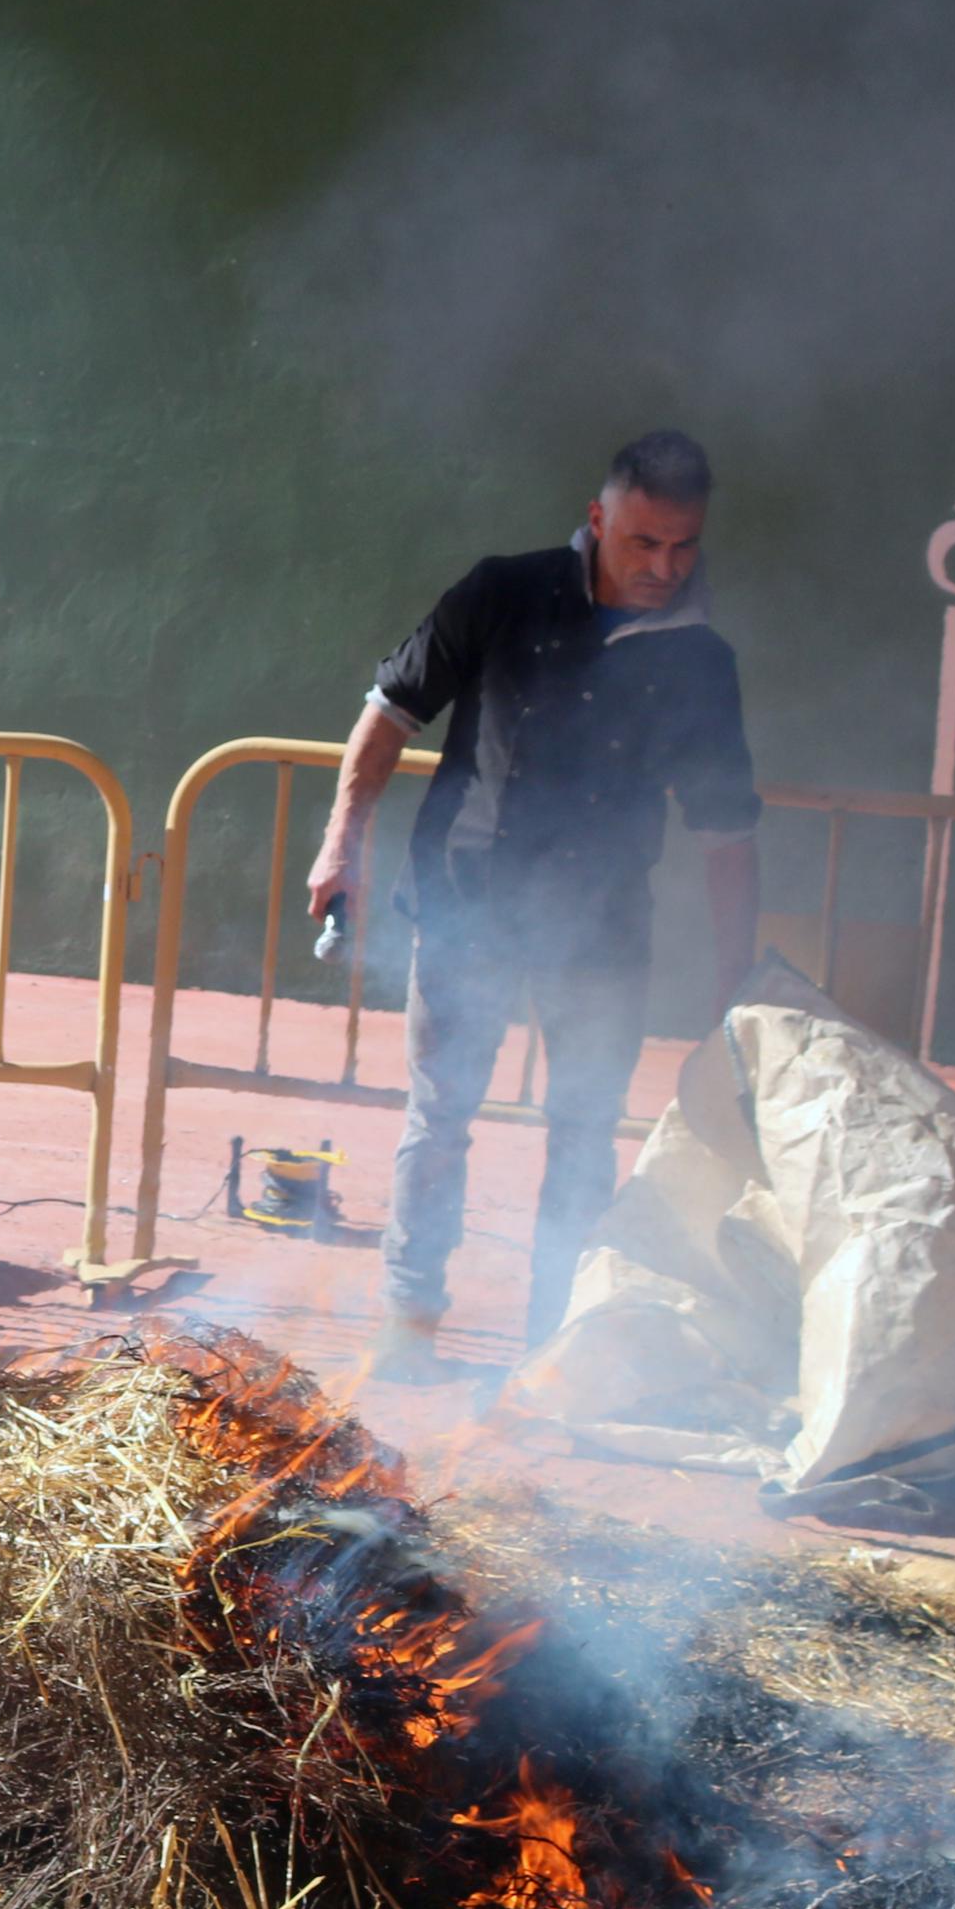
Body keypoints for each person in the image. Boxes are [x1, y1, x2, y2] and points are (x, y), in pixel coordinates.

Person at [304, 430, 760, 1380]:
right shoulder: (501, 592)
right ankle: (410, 1318)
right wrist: (341, 838)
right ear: (598, 521)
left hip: (600, 926)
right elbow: (388, 710)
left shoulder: (699, 662)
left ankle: (553, 1338)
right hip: (466, 897)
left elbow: (726, 834)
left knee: (585, 1127)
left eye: (682, 548)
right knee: (440, 1113)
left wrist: (734, 979)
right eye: (643, 543)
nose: (663, 568)